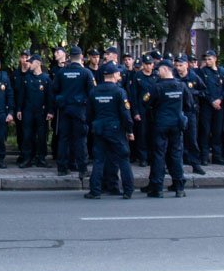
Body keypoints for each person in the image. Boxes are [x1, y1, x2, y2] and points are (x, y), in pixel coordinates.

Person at [84, 62, 135, 200]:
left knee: (99, 160)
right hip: (115, 130)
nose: (120, 74)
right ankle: (128, 190)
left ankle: (95, 191)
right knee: (123, 158)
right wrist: (129, 130)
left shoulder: (94, 91)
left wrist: (93, 125)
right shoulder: (119, 92)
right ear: (113, 75)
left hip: (99, 129)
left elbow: (88, 114)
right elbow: (126, 114)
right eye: (118, 73)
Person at [145, 59, 186, 198]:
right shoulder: (180, 85)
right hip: (176, 124)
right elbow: (189, 104)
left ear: (166, 69)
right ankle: (179, 186)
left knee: (158, 155)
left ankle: (157, 187)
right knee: (175, 154)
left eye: (159, 69)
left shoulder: (157, 87)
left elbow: (147, 103)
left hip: (161, 124)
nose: (157, 72)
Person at [52, 46, 95, 177]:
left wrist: (61, 100)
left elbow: (54, 90)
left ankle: (62, 168)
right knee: (80, 139)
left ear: (69, 57)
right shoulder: (86, 73)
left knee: (63, 139)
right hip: (79, 110)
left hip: (65, 109)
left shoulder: (61, 72)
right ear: (81, 56)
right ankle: (82, 169)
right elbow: (92, 93)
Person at [16, 54, 52, 168]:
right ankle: (27, 158)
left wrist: (50, 111)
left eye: (31, 62)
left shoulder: (46, 79)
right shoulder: (26, 78)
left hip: (41, 112)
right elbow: (21, 95)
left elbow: (50, 97)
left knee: (41, 136)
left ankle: (41, 159)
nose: (28, 64)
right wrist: (19, 109)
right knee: (27, 135)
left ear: (37, 63)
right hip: (28, 111)